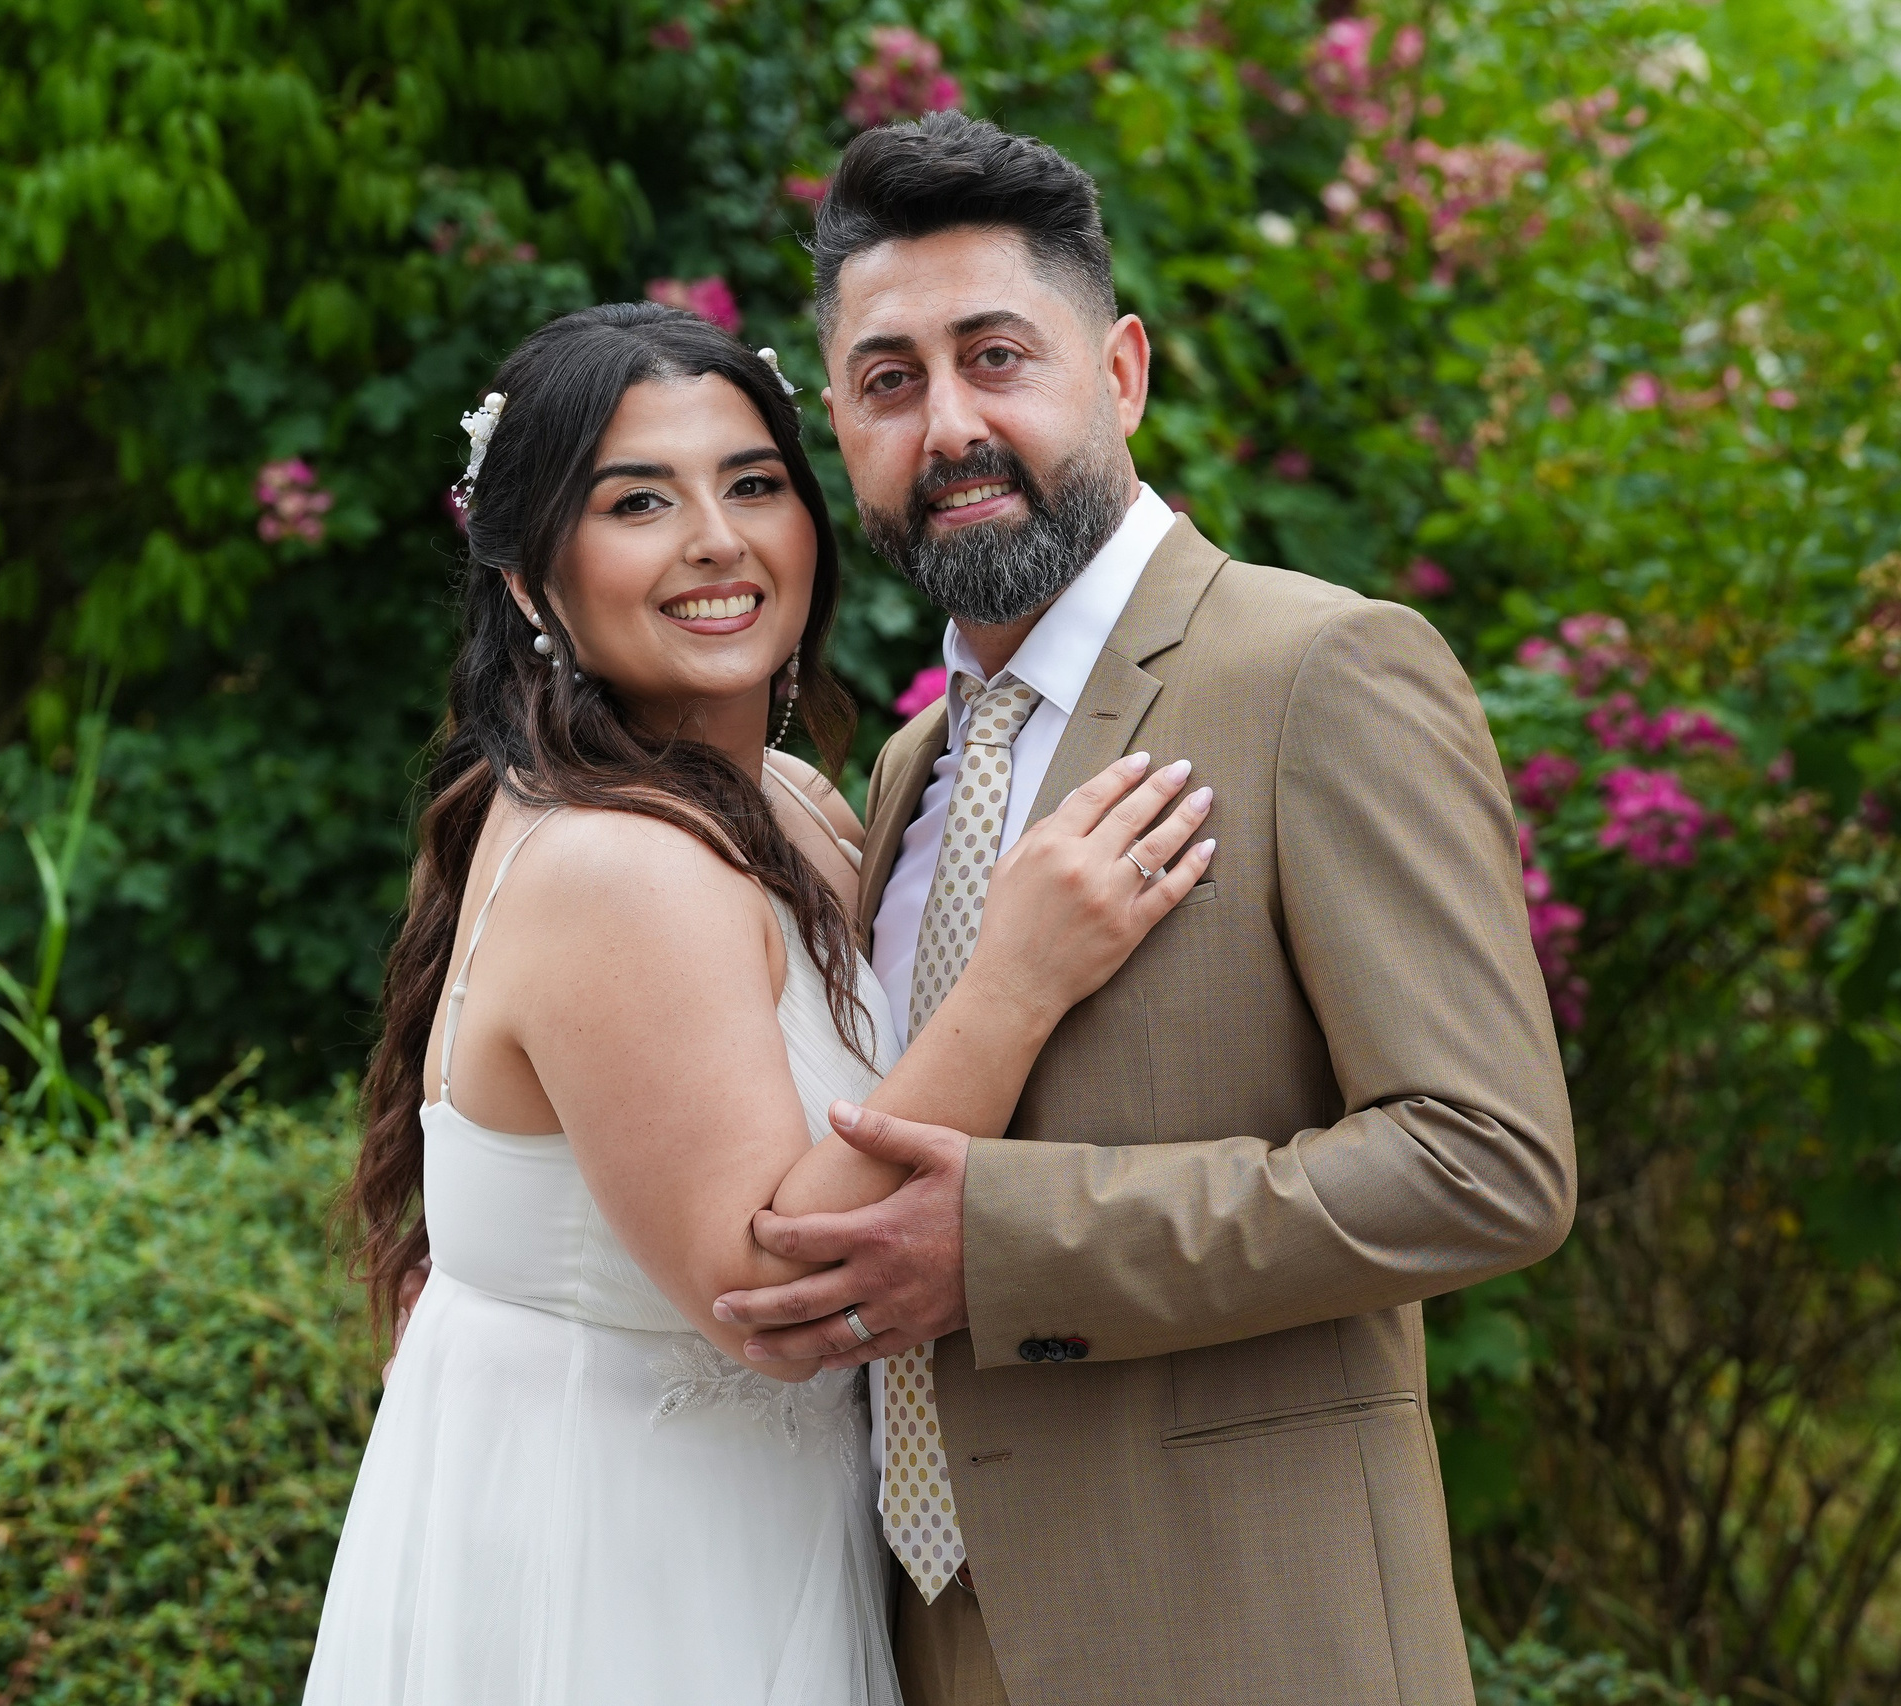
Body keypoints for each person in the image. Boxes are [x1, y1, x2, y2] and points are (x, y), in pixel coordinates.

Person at [709, 114, 1578, 1706]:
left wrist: (1007, 1246)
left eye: (997, 356)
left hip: (1244, 1636)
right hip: (919, 1643)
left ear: (1120, 371)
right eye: (891, 382)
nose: (950, 423)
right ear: (842, 426)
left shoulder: (1320, 672)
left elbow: (1490, 1162)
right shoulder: (906, 770)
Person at [302, 301, 1216, 1705]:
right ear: (534, 582)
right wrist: (1020, 977)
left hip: (750, 1523)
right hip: (632, 1572)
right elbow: (771, 1286)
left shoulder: (777, 799)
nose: (716, 539)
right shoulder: (619, 863)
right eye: (637, 501)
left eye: (752, 483)